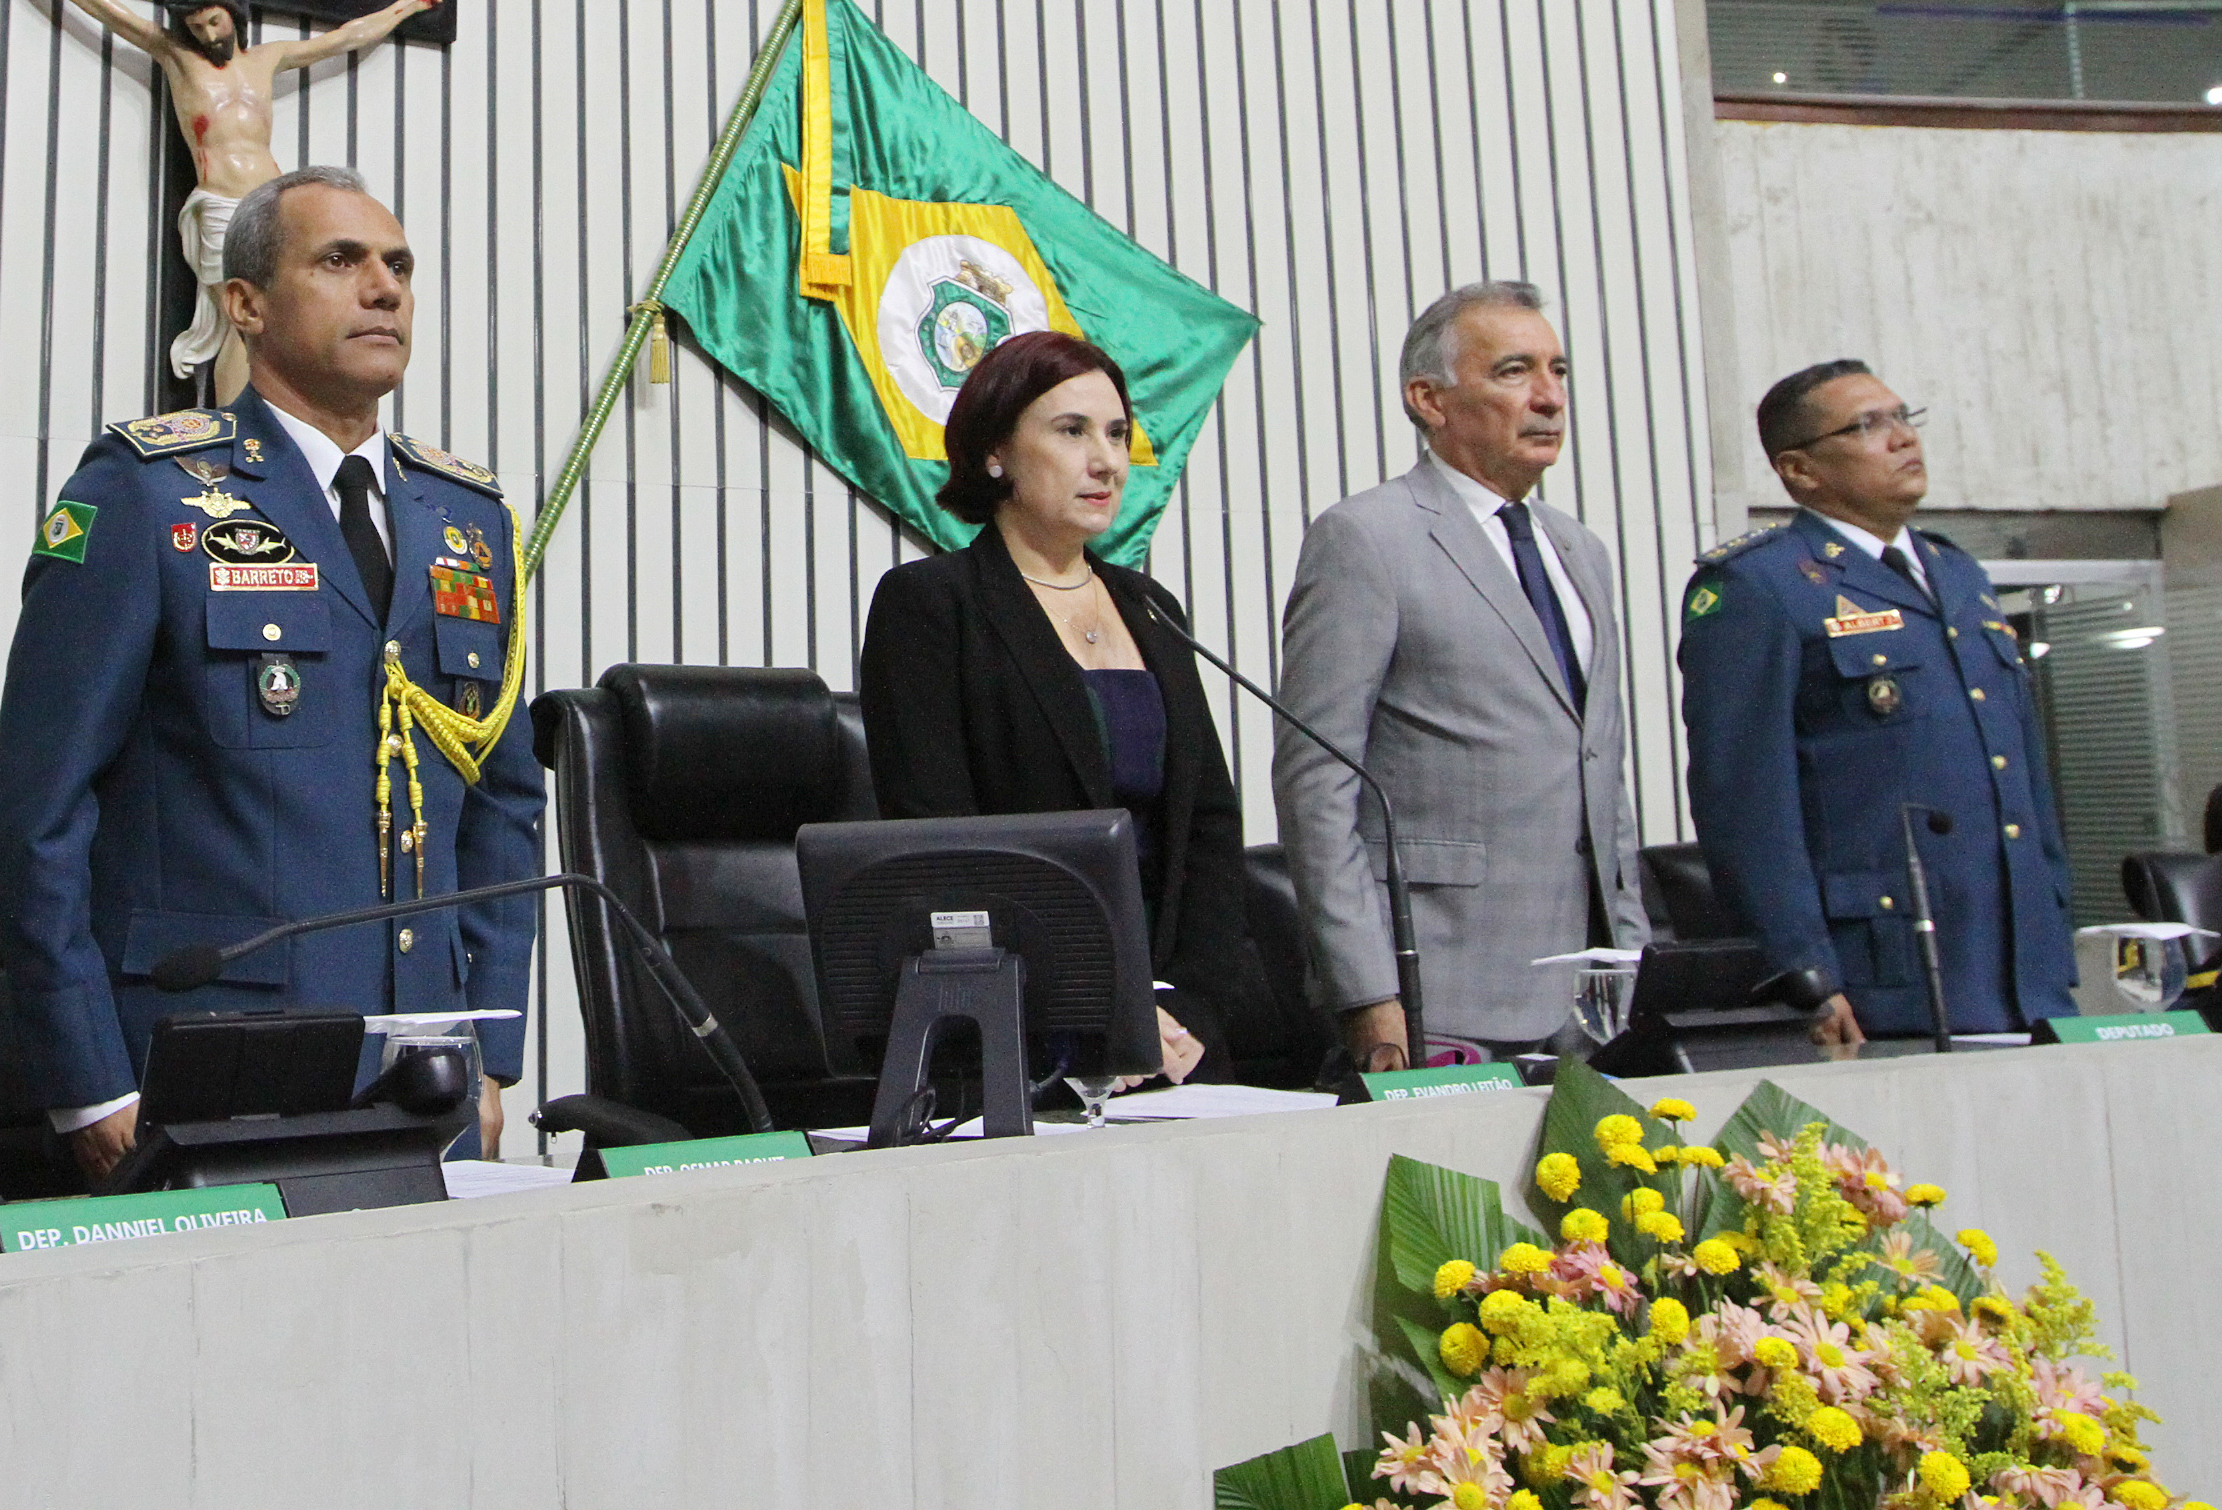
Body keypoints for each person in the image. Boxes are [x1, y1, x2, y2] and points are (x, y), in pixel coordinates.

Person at [0, 165, 546, 1182]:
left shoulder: (466, 518)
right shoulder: (147, 493)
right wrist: (89, 1081)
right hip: (209, 1071)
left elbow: (504, 799)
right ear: (245, 305)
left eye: (399, 267)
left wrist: (491, 1050)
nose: (383, 289)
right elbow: (41, 806)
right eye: (340, 261)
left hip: (426, 1071)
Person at [855, 333, 1267, 1082]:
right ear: (995, 453)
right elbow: (943, 843)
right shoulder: (932, 605)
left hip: (1178, 1037)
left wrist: (1194, 1006)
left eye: (1116, 434)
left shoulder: (1150, 608)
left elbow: (1209, 824)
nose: (1106, 461)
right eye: (1072, 431)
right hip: (1021, 1028)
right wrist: (1101, 1002)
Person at [1271, 281, 1648, 1070]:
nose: (1549, 397)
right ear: (1429, 399)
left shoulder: (1581, 550)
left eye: (1558, 370)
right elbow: (1317, 785)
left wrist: (1630, 944)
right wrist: (1366, 990)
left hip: (1590, 989)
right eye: (1514, 371)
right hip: (1438, 987)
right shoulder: (1366, 538)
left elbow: (1596, 761)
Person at [1679, 362, 2075, 1045]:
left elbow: (2025, 774)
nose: (1902, 438)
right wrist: (1801, 969)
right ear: (1800, 470)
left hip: (2022, 966)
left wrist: (2054, 913)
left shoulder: (1960, 573)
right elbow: (1743, 803)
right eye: (1867, 425)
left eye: (1902, 417)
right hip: (1882, 973)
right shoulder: (1758, 585)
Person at [0, 0, 444, 402]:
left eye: (214, 21)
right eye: (196, 27)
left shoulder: (266, 60)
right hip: (220, 207)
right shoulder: (176, 56)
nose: (207, 34)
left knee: (279, 321)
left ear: (233, 14)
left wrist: (410, 4)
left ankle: (275, 419)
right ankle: (231, 427)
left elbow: (346, 37)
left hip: (274, 209)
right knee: (243, 321)